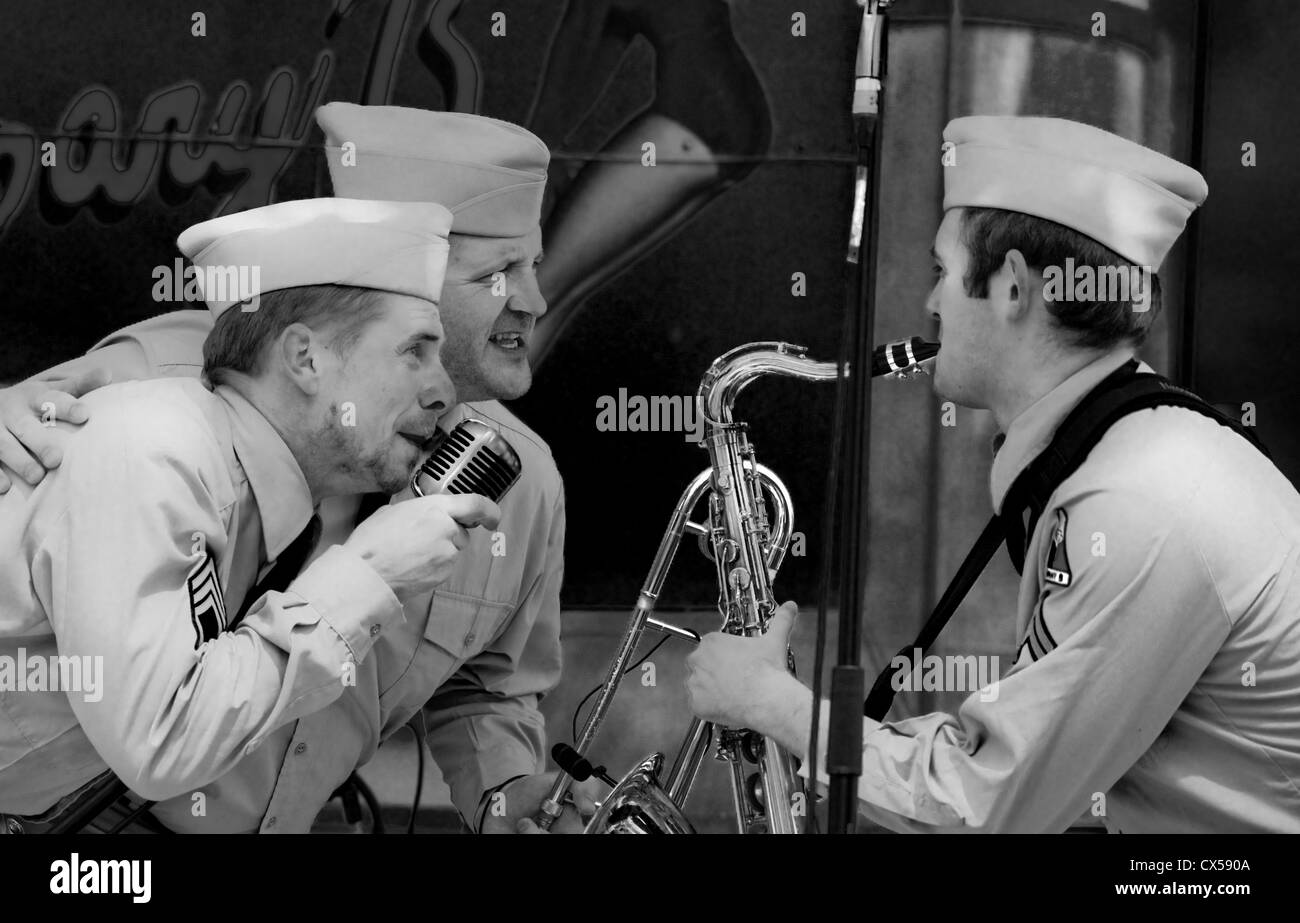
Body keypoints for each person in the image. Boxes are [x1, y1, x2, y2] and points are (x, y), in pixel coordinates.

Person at [684, 115, 1300, 833]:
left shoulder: (1140, 500)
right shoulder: (1127, 456)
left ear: (1011, 286)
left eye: (942, 272)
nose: (931, 304)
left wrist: (773, 705)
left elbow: (990, 806)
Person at [0, 104, 585, 834]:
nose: (534, 300)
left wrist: (502, 793)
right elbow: (35, 460)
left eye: (532, 265)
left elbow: (481, 687)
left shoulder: (519, 477)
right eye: (498, 272)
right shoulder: (161, 387)